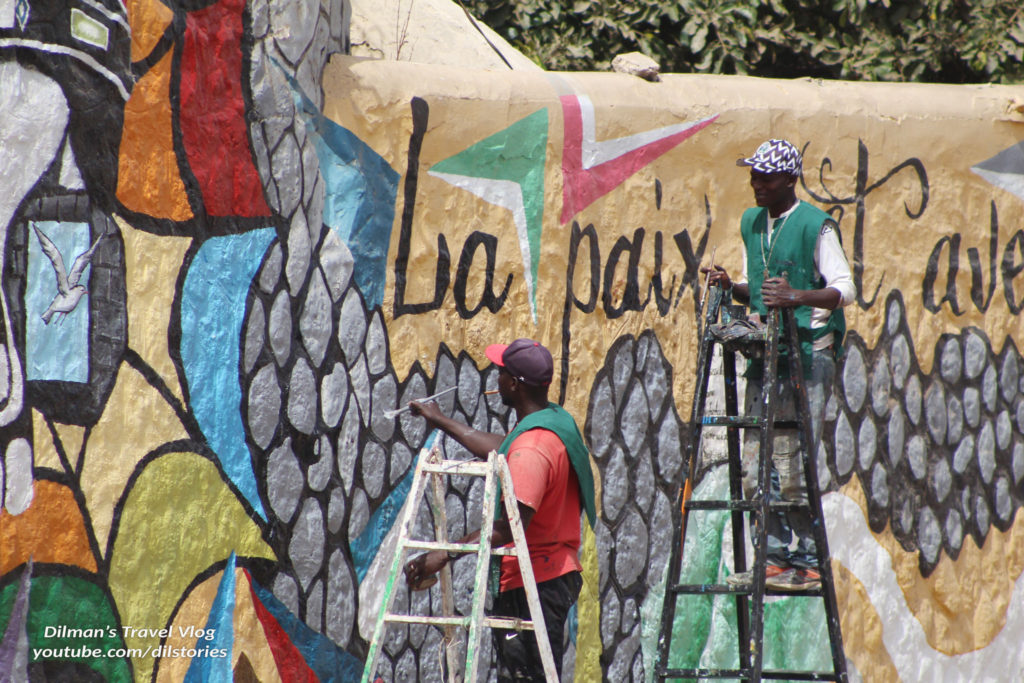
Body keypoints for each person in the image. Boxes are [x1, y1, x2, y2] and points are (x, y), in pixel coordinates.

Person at [702, 139, 855, 591]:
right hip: (767, 354)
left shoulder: (816, 226)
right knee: (757, 464)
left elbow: (844, 289)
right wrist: (733, 286)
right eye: (753, 176)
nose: (757, 185)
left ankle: (805, 565)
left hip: (807, 356)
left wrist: (796, 298)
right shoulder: (753, 221)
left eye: (766, 177)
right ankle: (770, 560)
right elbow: (762, 288)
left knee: (793, 465)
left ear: (790, 179)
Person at [403, 338, 596, 681]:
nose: (497, 378)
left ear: (513, 384)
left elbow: (509, 528)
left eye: (501, 373)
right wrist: (440, 419)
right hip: (551, 572)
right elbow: (506, 447)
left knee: (523, 676)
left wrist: (443, 554)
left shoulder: (532, 449)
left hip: (533, 582)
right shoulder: (552, 423)